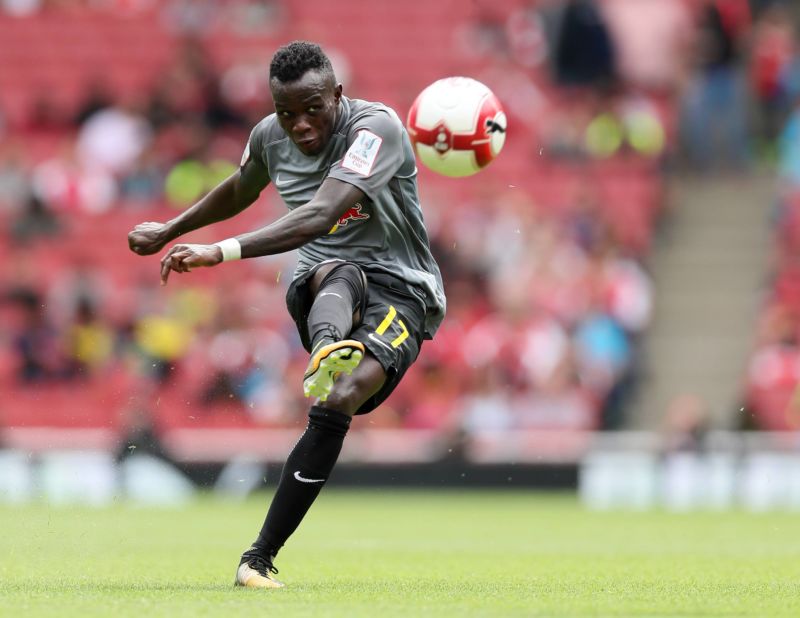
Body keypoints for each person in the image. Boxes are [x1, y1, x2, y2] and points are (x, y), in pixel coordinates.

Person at [127, 41, 446, 589]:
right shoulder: (268, 137)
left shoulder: (376, 130)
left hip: (403, 290)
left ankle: (258, 556)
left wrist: (219, 251)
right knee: (338, 271)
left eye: (312, 109)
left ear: (338, 97)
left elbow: (322, 213)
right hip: (323, 282)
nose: (298, 125)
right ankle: (258, 556)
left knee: (342, 398)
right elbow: (239, 188)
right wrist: (170, 229)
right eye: (286, 112)